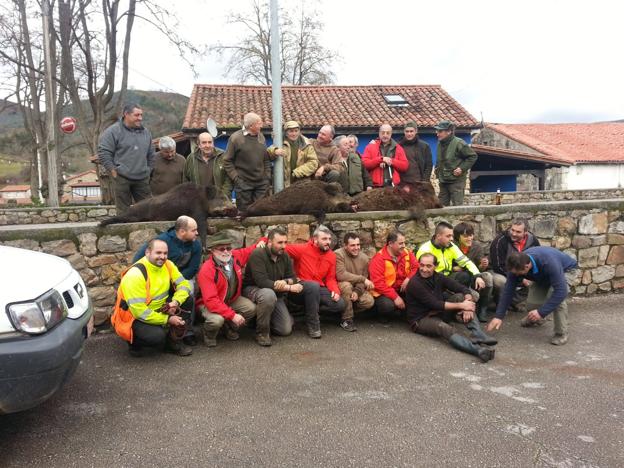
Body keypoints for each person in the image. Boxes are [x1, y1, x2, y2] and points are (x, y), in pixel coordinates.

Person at [405, 253, 496, 363]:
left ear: (435, 266)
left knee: (461, 297)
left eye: (428, 266)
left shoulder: (438, 277)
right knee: (444, 328)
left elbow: (461, 288)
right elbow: (434, 304)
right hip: (421, 319)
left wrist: (467, 303)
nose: (424, 269)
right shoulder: (415, 283)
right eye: (422, 265)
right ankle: (478, 350)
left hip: (439, 313)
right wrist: (462, 306)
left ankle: (477, 334)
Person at [114, 239, 192, 357]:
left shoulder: (168, 265)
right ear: (147, 253)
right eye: (158, 253)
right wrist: (167, 319)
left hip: (159, 307)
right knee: (156, 337)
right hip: (133, 317)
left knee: (188, 300)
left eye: (165, 253)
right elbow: (139, 312)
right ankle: (135, 343)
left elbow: (184, 286)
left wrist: (175, 303)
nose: (162, 256)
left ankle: (172, 343)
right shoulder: (135, 275)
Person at [132, 215, 202, 345]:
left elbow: (193, 268)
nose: (197, 233)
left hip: (181, 277)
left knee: (189, 292)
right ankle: (149, 333)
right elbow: (137, 260)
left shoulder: (195, 244)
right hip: (158, 279)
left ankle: (187, 331)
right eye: (193, 230)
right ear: (182, 232)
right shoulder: (161, 241)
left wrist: (175, 282)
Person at [486, 247, 577, 346]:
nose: (516, 275)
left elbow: (561, 292)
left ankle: (561, 333)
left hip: (566, 271)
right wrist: (499, 316)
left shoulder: (548, 262)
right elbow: (508, 291)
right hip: (544, 276)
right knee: (532, 305)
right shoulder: (517, 265)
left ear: (527, 266)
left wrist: (541, 312)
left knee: (557, 299)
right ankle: (538, 319)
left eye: (518, 273)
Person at [243, 227, 313, 345]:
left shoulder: (284, 255)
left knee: (285, 330)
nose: (284, 246)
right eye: (280, 242)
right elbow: (262, 282)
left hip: (276, 292)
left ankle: (259, 320)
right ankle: (262, 333)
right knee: (268, 294)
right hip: (253, 289)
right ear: (269, 242)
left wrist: (286, 282)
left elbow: (294, 278)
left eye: (285, 242)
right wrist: (289, 287)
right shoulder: (258, 254)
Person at [196, 232, 266, 347]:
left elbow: (252, 248)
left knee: (251, 309)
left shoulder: (236, 256)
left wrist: (264, 240)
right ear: (212, 251)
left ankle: (227, 327)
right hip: (207, 304)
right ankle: (209, 334)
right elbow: (211, 301)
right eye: (221, 249)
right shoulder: (206, 270)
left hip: (230, 299)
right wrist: (233, 315)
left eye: (228, 248)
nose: (226, 251)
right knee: (216, 320)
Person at [285, 225, 346, 338]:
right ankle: (313, 325)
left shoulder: (331, 256)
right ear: (315, 239)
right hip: (299, 289)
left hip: (318, 289)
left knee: (340, 304)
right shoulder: (303, 249)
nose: (328, 242)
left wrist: (335, 290)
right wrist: (264, 240)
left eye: (329, 239)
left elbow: (330, 278)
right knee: (313, 286)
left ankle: (311, 312)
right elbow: (282, 246)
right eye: (324, 239)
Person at [97, 102, 154, 215]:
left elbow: (151, 154)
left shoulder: (146, 133)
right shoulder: (112, 132)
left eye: (141, 115)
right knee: (124, 214)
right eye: (136, 115)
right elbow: (104, 152)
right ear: (126, 114)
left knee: (149, 210)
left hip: (142, 178)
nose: (140, 118)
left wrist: (149, 170)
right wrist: (113, 171)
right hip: (121, 178)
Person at [222, 112, 271, 212]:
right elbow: (227, 161)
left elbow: (265, 158)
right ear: (251, 126)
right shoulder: (236, 138)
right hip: (243, 184)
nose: (261, 125)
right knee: (245, 213)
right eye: (259, 123)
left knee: (261, 211)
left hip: (261, 184)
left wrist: (267, 176)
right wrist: (236, 178)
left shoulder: (261, 137)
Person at [489, 218, 541, 310]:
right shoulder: (500, 241)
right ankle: (502, 305)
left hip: (524, 272)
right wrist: (520, 278)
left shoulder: (533, 240)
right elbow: (498, 267)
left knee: (539, 281)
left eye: (518, 232)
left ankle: (514, 302)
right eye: (512, 230)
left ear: (525, 232)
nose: (513, 233)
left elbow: (537, 259)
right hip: (502, 273)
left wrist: (530, 277)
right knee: (500, 281)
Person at [369, 231, 418, 321]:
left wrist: (408, 279)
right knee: (387, 306)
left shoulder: (406, 253)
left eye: (404, 243)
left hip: (402, 288)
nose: (404, 245)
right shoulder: (379, 259)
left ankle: (401, 312)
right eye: (400, 243)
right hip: (384, 292)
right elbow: (378, 283)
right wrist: (395, 297)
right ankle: (382, 315)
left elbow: (416, 267)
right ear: (390, 244)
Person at [452, 222, 495, 323]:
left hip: (474, 275)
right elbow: (450, 267)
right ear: (458, 237)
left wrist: (483, 265)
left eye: (471, 235)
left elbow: (479, 269)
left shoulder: (477, 246)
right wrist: (455, 268)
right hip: (460, 278)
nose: (469, 238)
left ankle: (483, 308)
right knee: (470, 287)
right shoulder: (452, 247)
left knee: (488, 276)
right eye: (465, 236)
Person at [334, 232, 375, 331]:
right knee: (346, 285)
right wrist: (363, 279)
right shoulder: (338, 254)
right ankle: (346, 319)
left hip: (354, 288)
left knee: (369, 301)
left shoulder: (364, 258)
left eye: (358, 245)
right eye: (352, 245)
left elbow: (363, 281)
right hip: (339, 286)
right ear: (345, 246)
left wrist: (357, 291)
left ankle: (345, 310)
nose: (356, 248)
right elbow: (340, 275)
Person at [433, 120, 477, 206]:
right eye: (437, 131)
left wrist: (461, 168)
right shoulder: (440, 144)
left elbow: (473, 156)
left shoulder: (459, 143)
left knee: (457, 207)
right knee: (441, 207)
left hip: (456, 182)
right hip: (443, 181)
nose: (437, 134)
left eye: (440, 131)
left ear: (449, 132)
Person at [267, 120, 318, 187]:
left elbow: (313, 162)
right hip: (283, 181)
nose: (294, 134)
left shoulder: (306, 144)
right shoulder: (280, 142)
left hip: (301, 180)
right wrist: (274, 151)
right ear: (286, 133)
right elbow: (268, 152)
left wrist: (298, 172)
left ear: (299, 132)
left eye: (296, 131)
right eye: (291, 131)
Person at [184, 132, 233, 201]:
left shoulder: (222, 156)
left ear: (213, 143)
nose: (207, 145)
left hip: (220, 201)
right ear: (199, 145)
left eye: (210, 142)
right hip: (198, 202)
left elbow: (228, 179)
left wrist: (222, 196)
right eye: (204, 143)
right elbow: (186, 181)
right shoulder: (191, 158)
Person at [397, 121, 433, 186]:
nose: (409, 134)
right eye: (407, 131)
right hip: (403, 184)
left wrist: (424, 182)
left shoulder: (424, 146)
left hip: (419, 183)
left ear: (416, 131)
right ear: (404, 132)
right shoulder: (398, 146)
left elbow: (429, 165)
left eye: (411, 131)